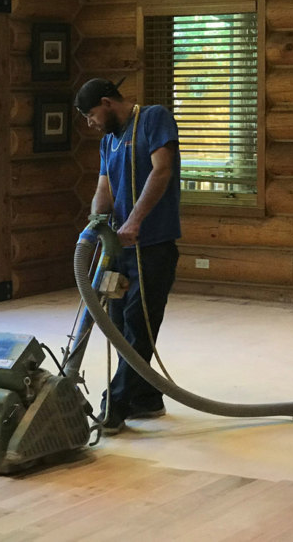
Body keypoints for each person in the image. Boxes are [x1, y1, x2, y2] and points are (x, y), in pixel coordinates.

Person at [75, 77, 182, 435]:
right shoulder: (109, 141)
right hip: (118, 250)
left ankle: (114, 406)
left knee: (138, 328)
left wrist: (135, 220)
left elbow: (161, 169)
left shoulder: (153, 118)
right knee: (118, 327)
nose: (90, 124)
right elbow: (103, 188)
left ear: (107, 102)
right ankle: (147, 397)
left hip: (152, 246)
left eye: (91, 115)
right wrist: (94, 224)